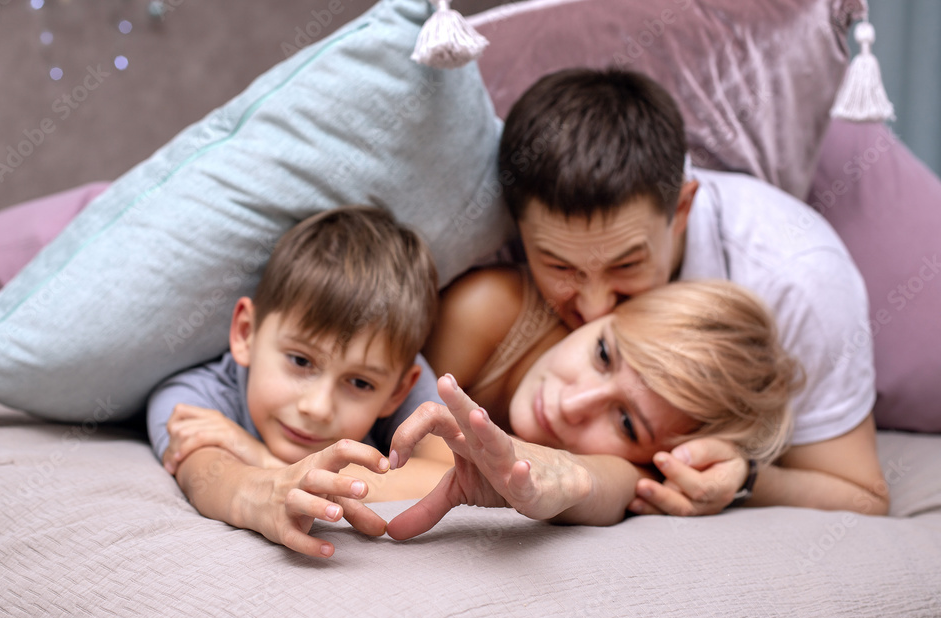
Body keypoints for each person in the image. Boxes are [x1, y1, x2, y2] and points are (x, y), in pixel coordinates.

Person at [464, 67, 888, 518]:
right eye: (559, 266)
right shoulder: (496, 278)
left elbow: (864, 498)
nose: (594, 307)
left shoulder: (801, 285)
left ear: (682, 209)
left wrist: (746, 477)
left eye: (626, 265)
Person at [387, 279, 803, 539]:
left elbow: (608, 481)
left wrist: (743, 477)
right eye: (603, 353)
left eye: (626, 422)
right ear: (604, 311)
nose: (571, 403)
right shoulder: (489, 312)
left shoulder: (638, 473)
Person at [146, 206, 451, 558]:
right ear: (246, 333)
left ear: (398, 390)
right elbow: (213, 480)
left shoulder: (389, 363)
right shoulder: (192, 400)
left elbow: (456, 474)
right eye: (300, 361)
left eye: (359, 383)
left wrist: (265, 459)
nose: (317, 407)